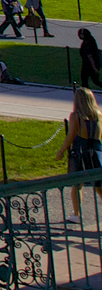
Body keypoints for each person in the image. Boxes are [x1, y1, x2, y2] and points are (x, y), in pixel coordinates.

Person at [67, 86, 102, 219]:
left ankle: (77, 214)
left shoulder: (76, 116)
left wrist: (61, 150)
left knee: (77, 184)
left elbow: (70, 137)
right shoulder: (98, 115)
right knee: (99, 184)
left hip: (81, 151)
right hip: (97, 151)